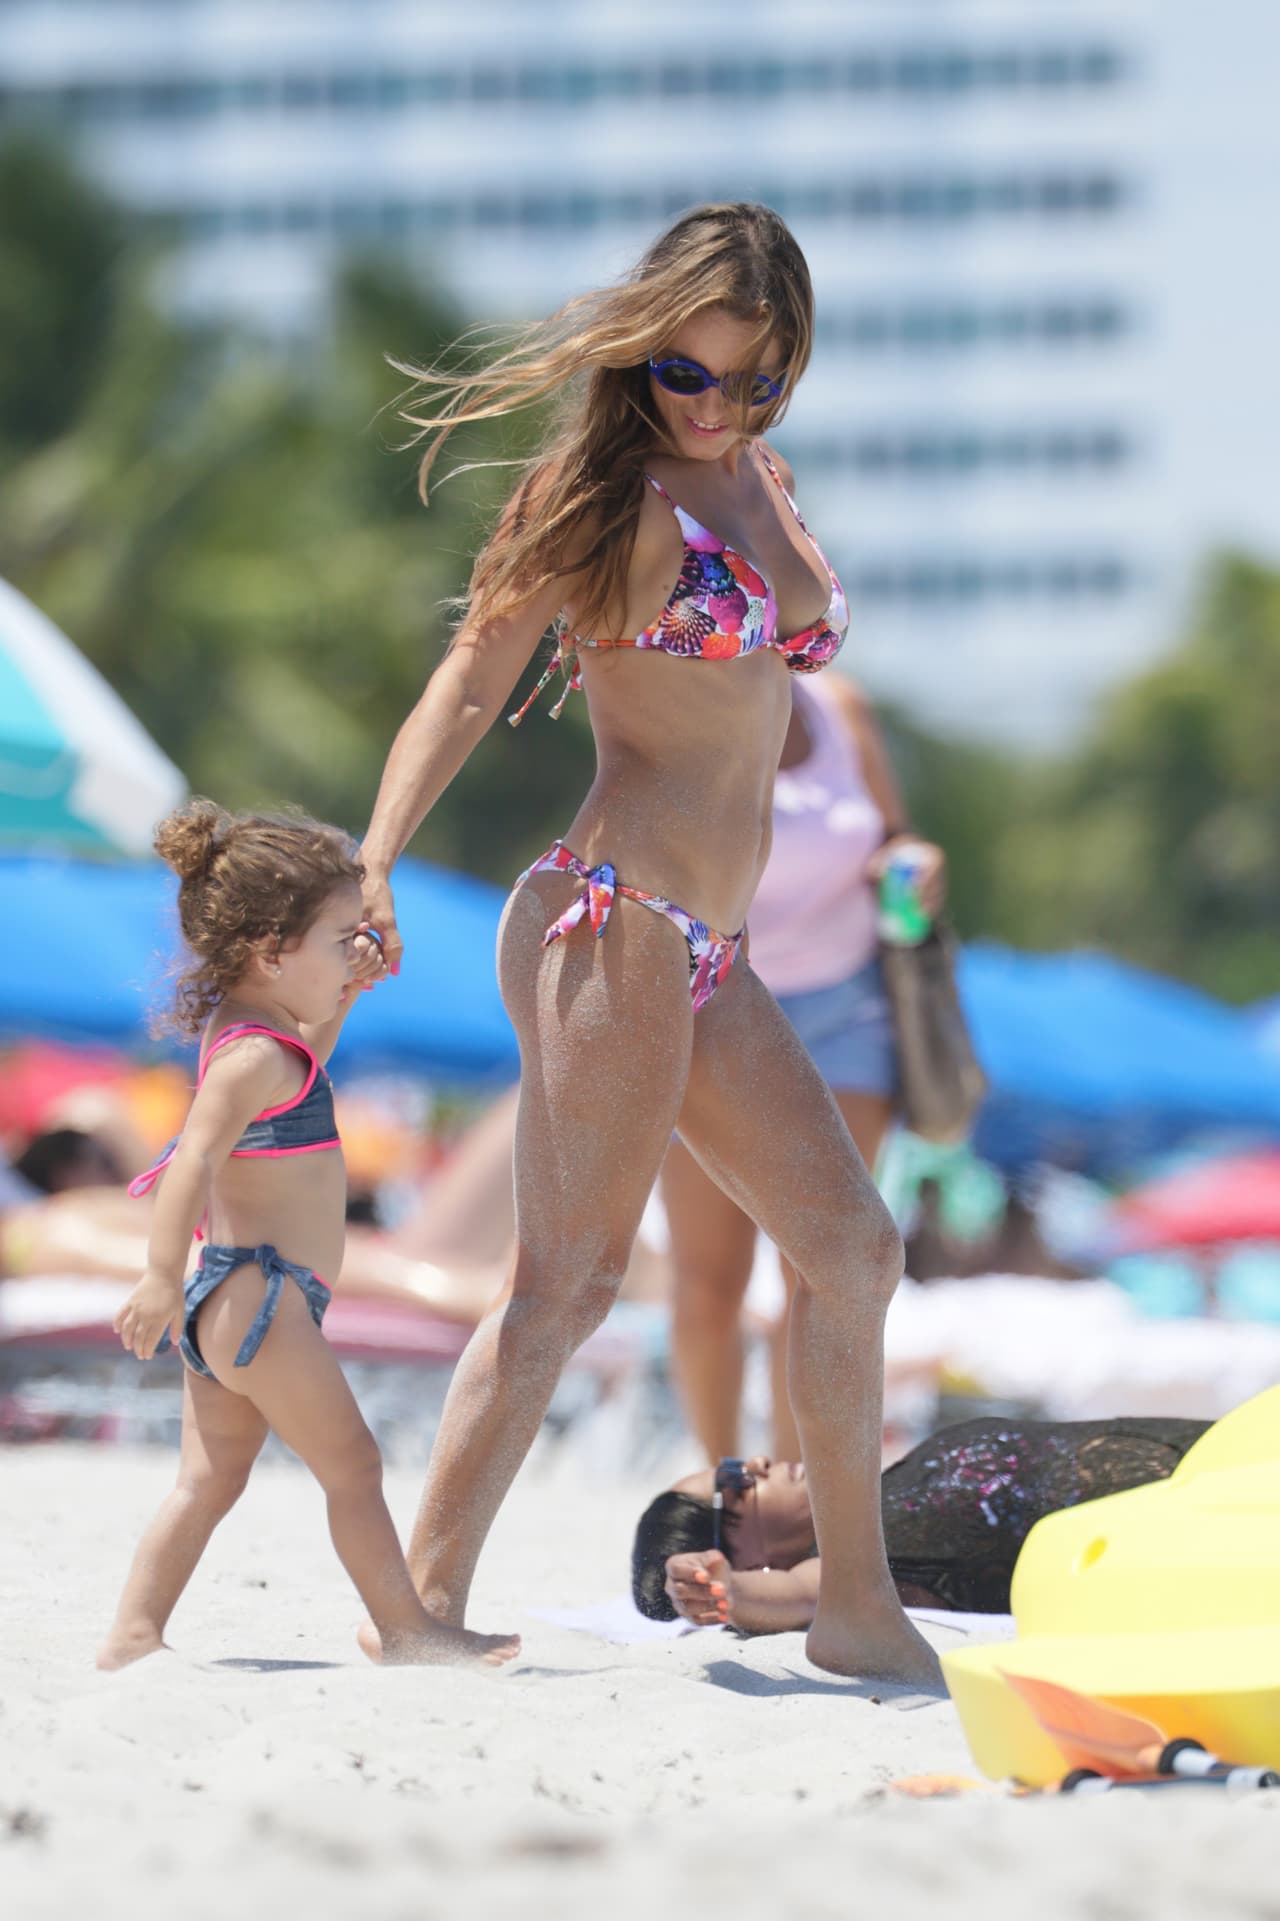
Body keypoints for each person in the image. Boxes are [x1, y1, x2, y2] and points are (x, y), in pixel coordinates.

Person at [359, 201, 940, 1684]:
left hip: (710, 945)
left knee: (853, 1247)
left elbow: (776, 690)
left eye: (759, 380)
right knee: (568, 1278)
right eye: (692, 374)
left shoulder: (762, 480)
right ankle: (415, 1606)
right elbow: (467, 688)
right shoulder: (596, 497)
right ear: (638, 357)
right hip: (608, 917)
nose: (721, 404)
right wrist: (372, 866)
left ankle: (856, 1609)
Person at [97, 800, 520, 1671]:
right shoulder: (253, 1054)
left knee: (208, 1481)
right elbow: (190, 1162)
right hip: (260, 1301)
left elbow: (306, 1058)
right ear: (271, 951)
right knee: (354, 1467)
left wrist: (349, 985)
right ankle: (408, 1628)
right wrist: (154, 1277)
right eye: (339, 939)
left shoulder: (259, 1036)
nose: (352, 952)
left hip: (243, 1300)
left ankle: (134, 1635)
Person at [661, 672, 945, 1462]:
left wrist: (914, 862)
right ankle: (723, 1482)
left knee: (826, 1268)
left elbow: (894, 832)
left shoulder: (841, 702)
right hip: (714, 1007)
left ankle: (792, 1496)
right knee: (709, 1279)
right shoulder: (676, 698)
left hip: (847, 1010)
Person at [632, 1416, 1211, 1632]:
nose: (755, 1463)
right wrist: (720, 1589)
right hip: (1203, 1520)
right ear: (744, 1554)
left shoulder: (873, 1491)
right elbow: (800, 1598)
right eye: (734, 1483)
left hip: (1205, 1449)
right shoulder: (850, 1562)